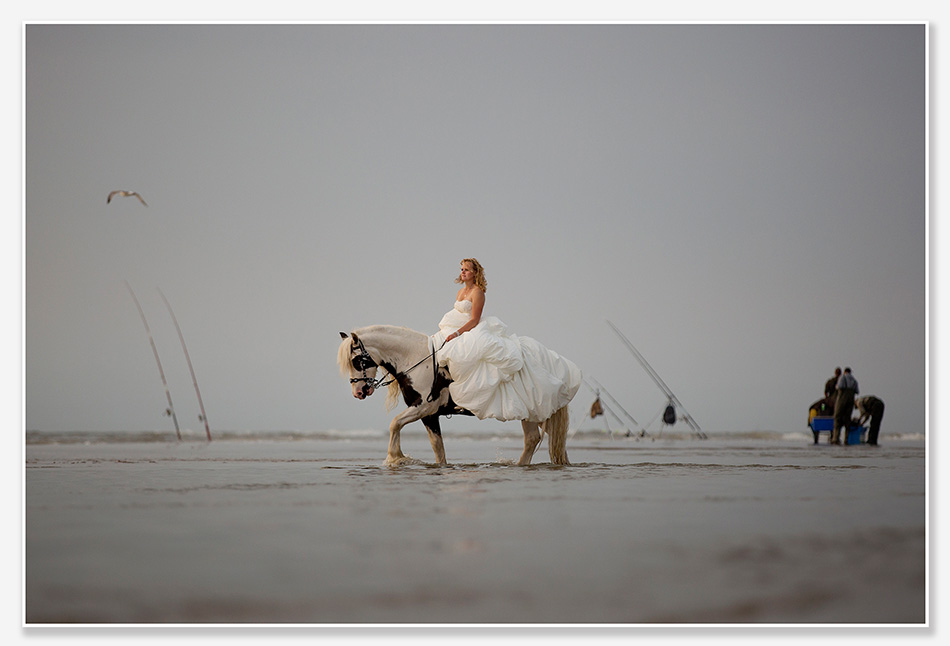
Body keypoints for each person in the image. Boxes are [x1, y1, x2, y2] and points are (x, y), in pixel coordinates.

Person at [433, 258, 581, 422]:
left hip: (471, 329)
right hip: (457, 327)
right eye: (461, 269)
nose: (463, 272)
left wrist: (457, 334)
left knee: (469, 355)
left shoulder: (478, 292)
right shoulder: (460, 293)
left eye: (466, 269)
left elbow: (474, 320)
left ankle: (470, 397)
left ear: (475, 273)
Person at [832, 367, 859, 444]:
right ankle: (846, 439)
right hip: (850, 400)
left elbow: (838, 386)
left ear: (844, 372)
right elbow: (857, 391)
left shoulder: (842, 377)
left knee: (837, 417)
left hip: (842, 399)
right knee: (847, 419)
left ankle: (836, 438)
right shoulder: (854, 380)